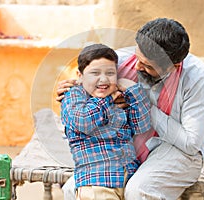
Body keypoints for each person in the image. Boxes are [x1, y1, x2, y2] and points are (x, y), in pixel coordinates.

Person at [57, 18, 204, 200]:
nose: (137, 66)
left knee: (139, 192)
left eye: (148, 66)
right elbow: (87, 91)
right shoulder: (122, 61)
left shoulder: (198, 79)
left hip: (176, 150)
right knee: (74, 188)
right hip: (124, 145)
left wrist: (140, 102)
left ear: (174, 67)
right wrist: (73, 90)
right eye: (138, 57)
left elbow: (190, 143)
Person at [60, 43, 152, 200]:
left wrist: (133, 90)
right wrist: (108, 98)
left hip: (126, 178)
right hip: (97, 182)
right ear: (80, 76)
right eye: (95, 73)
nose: (103, 79)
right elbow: (84, 122)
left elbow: (142, 126)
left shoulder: (120, 99)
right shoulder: (74, 96)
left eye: (110, 73)